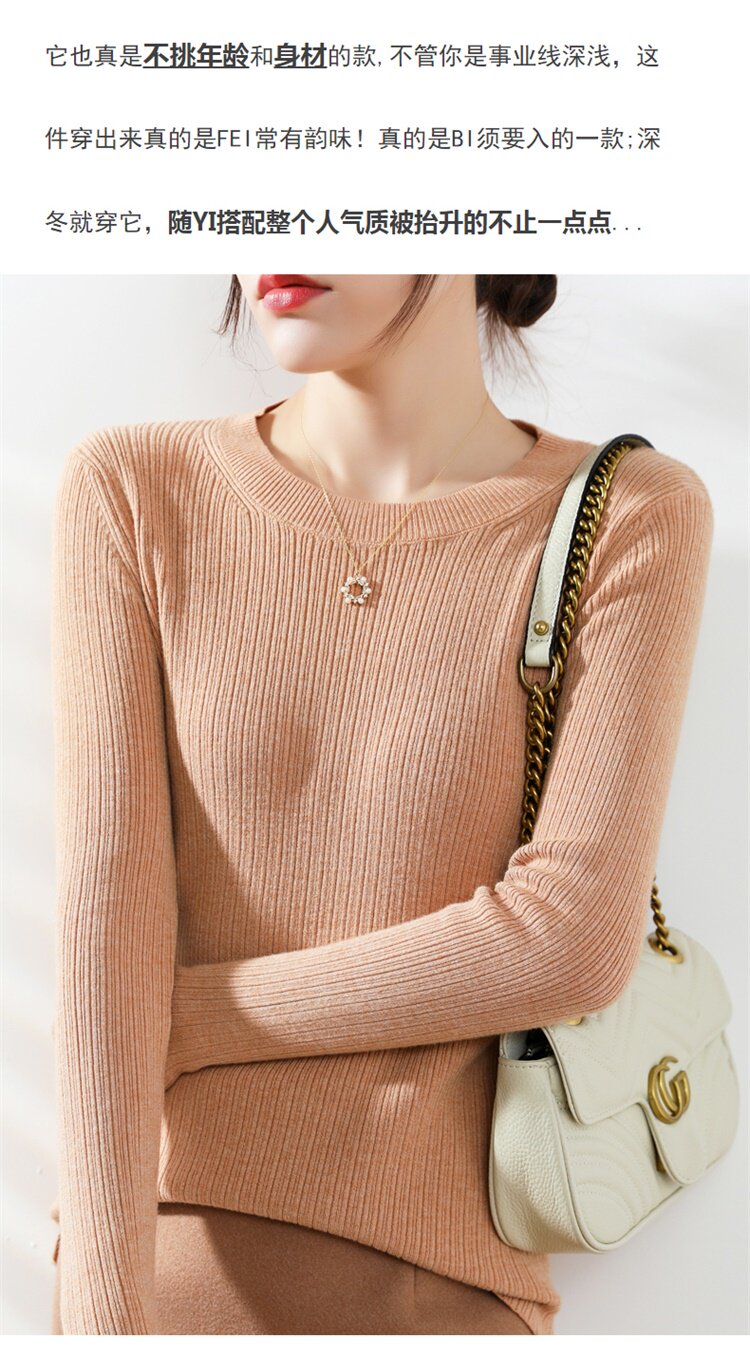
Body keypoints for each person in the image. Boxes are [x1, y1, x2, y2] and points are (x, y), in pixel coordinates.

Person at [49, 274, 714, 1335]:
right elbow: (103, 940)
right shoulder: (135, 489)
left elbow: (573, 939)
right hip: (158, 1277)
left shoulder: (632, 513)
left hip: (441, 1297)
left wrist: (186, 1016)